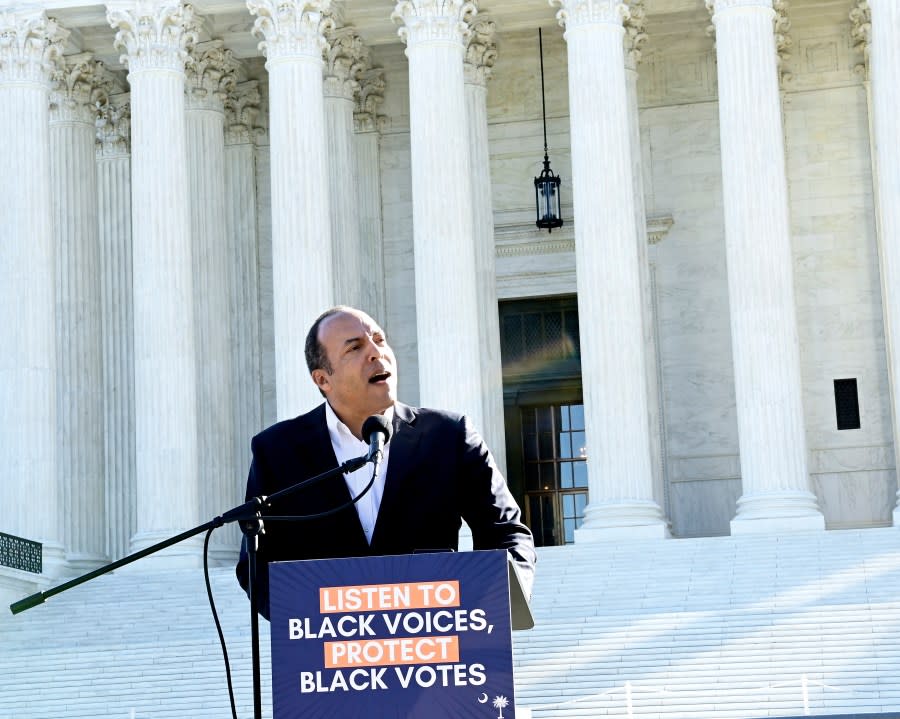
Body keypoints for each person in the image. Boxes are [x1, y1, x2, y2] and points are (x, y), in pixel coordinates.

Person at [236, 305, 535, 619]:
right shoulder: (278, 450)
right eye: (355, 347)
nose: (377, 352)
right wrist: (308, 621)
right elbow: (257, 565)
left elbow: (507, 532)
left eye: (380, 340)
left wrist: (488, 602)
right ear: (323, 379)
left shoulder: (450, 436)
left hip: (437, 640)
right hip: (329, 651)